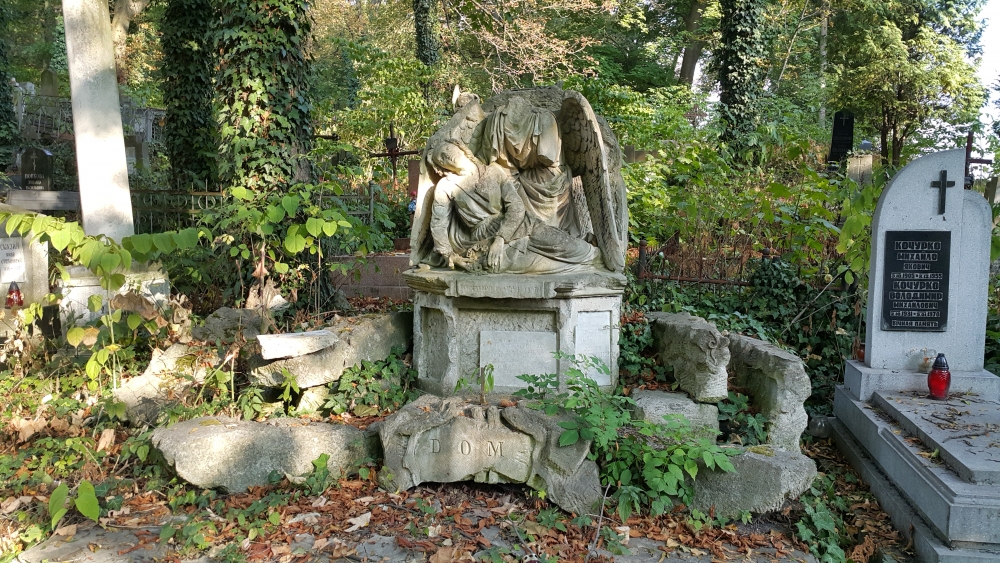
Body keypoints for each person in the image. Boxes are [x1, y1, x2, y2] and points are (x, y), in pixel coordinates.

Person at [425, 139, 600, 274]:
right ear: (442, 167)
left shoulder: (493, 171)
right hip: (484, 236)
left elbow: (516, 206)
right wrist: (450, 255)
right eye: (441, 158)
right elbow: (438, 224)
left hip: (515, 224)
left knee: (571, 249)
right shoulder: (446, 186)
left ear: (460, 147)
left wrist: (501, 238)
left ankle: (593, 255)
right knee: (532, 264)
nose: (447, 155)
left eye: (447, 149)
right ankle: (580, 265)